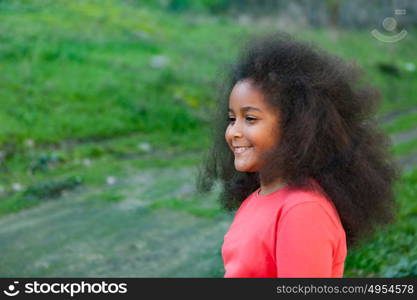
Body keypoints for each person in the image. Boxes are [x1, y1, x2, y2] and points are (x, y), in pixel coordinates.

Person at [197, 33, 399, 278]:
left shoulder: (303, 212)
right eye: (232, 119)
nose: (234, 132)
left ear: (295, 126)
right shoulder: (259, 198)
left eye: (250, 118)